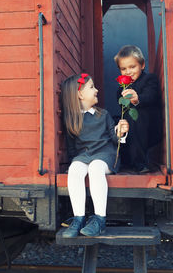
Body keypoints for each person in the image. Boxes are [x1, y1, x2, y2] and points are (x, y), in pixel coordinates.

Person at [61, 73, 129, 238]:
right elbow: (72, 148)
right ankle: (79, 218)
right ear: (79, 94)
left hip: (105, 155)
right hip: (84, 155)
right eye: (92, 87)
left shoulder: (102, 115)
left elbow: (114, 139)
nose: (96, 90)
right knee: (75, 169)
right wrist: (71, 163)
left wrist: (120, 132)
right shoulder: (72, 119)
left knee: (95, 168)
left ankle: (99, 218)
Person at [114, 45, 162, 173]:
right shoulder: (122, 88)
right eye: (123, 69)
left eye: (132, 67)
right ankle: (123, 160)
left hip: (149, 127)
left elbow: (151, 96)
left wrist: (137, 99)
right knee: (118, 122)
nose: (128, 72)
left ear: (142, 65)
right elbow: (121, 105)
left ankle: (140, 163)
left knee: (137, 115)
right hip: (132, 129)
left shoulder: (149, 79)